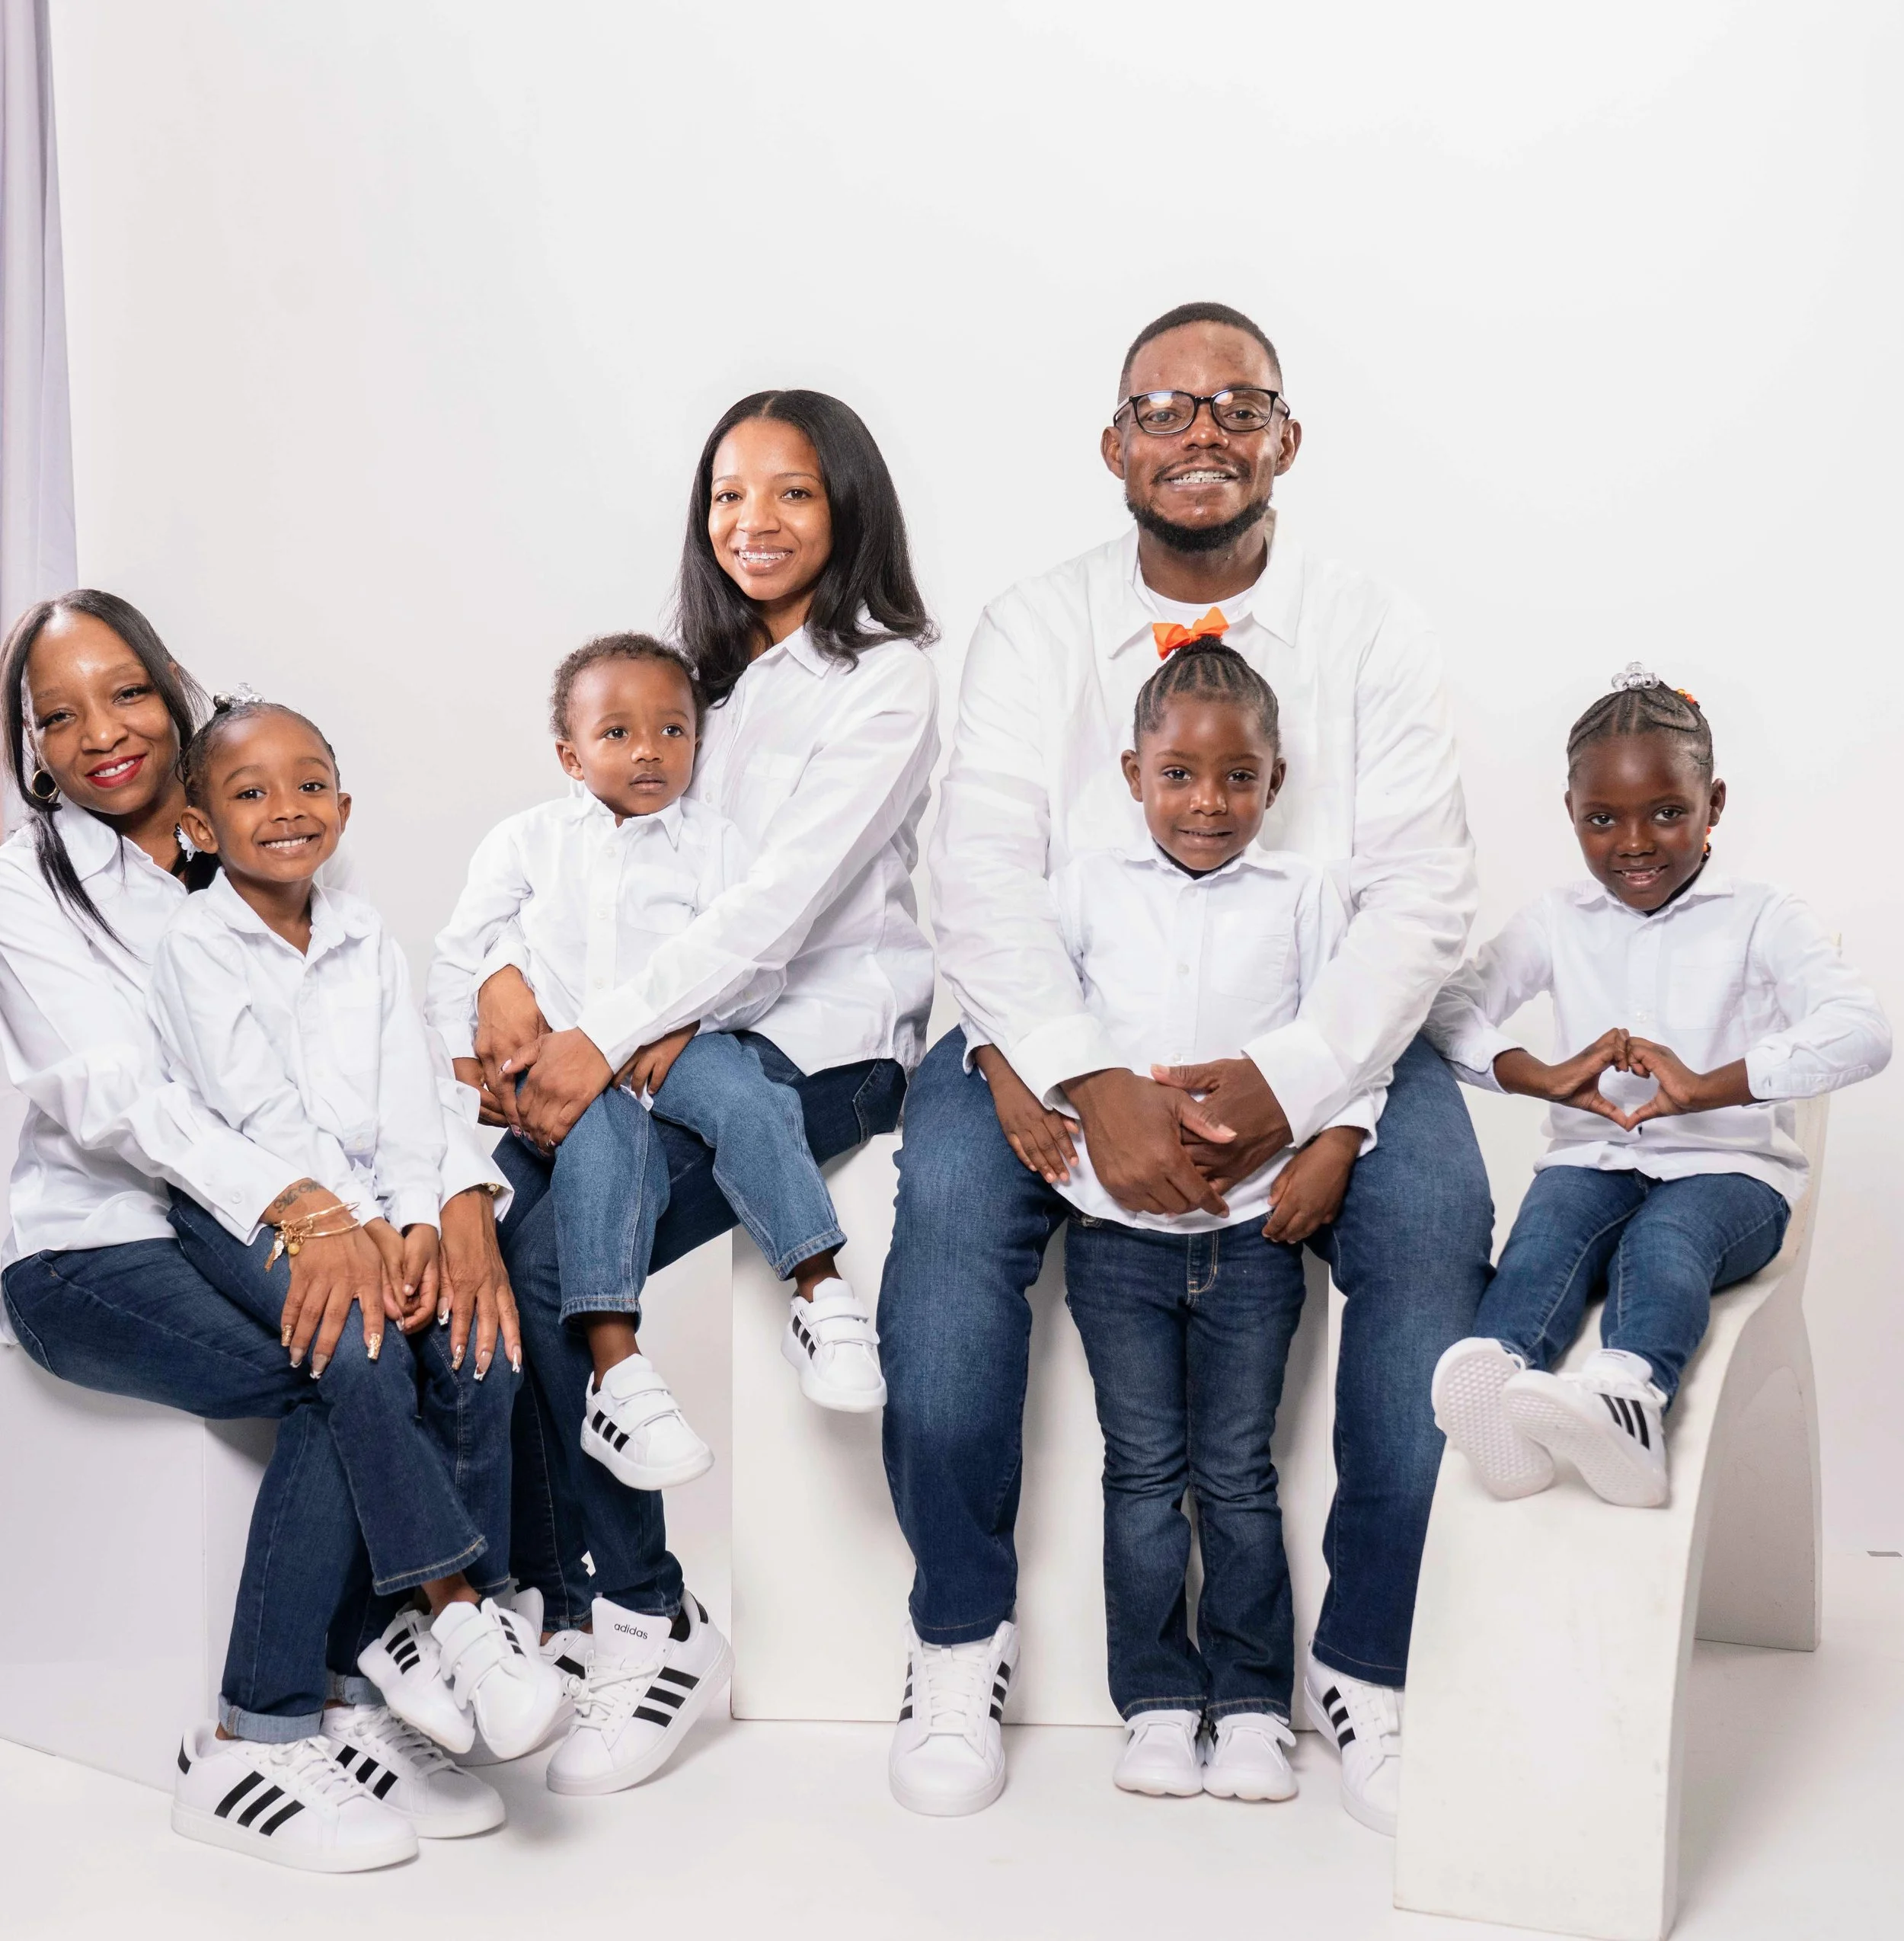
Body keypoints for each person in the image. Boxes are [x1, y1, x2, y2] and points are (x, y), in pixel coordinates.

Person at [880, 301, 1490, 1834]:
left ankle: (1365, 1662)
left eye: (1237, 406)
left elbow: (1418, 891)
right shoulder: (1033, 625)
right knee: (945, 1245)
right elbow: (980, 873)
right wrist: (1079, 1075)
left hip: (1324, 1034)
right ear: (1114, 445)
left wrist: (1294, 1082)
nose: (1200, 432)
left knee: (1428, 1249)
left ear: (1284, 439)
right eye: (1163, 408)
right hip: (1052, 1033)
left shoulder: (1370, 626)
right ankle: (957, 1638)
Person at [0, 593, 518, 1869]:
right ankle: (259, 1731)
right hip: (93, 1247)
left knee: (424, 1332)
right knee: (331, 1366)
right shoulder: (27, 882)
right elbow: (121, 1099)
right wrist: (309, 1205)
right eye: (56, 715)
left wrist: (443, 1201)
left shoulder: (251, 833)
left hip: (237, 1223)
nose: (99, 734)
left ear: (175, 682)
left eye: (124, 692)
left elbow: (373, 1061)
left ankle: (360, 1687)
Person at [468, 389, 938, 1796]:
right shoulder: (697, 681)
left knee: (550, 1260)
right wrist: (505, 985)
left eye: (791, 493)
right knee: (489, 1251)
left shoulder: (889, 678)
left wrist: (602, 1034)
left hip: (813, 1046)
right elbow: (590, 862)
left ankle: (656, 1620)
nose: (755, 523)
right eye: (728, 496)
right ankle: (558, 1605)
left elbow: (775, 908)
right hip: (654, 1043)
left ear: (848, 506)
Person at [967, 637, 1381, 1808]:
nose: (1210, 803)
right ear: (1132, 773)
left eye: (1239, 778)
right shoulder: (1087, 887)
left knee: (1238, 1475)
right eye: (1182, 777)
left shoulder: (1305, 896)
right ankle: (1154, 1699)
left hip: (1255, 1238)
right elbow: (1002, 982)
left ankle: (1253, 1706)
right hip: (1117, 1244)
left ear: (1277, 781)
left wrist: (1338, 1146)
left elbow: (1354, 1041)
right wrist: (1008, 1076)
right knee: (1144, 1473)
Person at [152, 693, 566, 1762]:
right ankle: (457, 1612)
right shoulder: (196, 945)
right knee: (365, 1345)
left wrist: (424, 1221)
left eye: (309, 784)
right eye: (248, 792)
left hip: (380, 1207)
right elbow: (261, 1117)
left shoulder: (363, 932)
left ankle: (400, 1639)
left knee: (479, 1349)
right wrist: (368, 1229)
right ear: (199, 825)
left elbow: (412, 1099)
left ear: (345, 804)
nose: (285, 809)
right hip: (250, 1206)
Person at [427, 632, 882, 1504]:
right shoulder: (525, 842)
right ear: (569, 754)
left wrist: (690, 1021)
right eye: (618, 734)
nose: (648, 751)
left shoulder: (714, 842)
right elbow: (462, 952)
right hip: (565, 1062)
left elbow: (759, 963)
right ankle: (616, 1369)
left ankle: (820, 1293)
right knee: (601, 1151)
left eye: (672, 731)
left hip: (677, 1043)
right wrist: (472, 1037)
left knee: (752, 1103)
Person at [1427, 668, 1889, 1507]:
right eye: (1602, 819)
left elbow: (1863, 1031)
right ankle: (1496, 1393)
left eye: (1666, 813)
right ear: (1570, 813)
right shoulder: (1556, 918)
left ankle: (1630, 1402)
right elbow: (1447, 1009)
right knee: (1541, 1241)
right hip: (1593, 1161)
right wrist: (1543, 1077)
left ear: (1713, 804)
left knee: (1661, 1246)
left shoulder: (1761, 915)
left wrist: (1715, 1085)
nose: (1634, 842)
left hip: (1733, 1179)